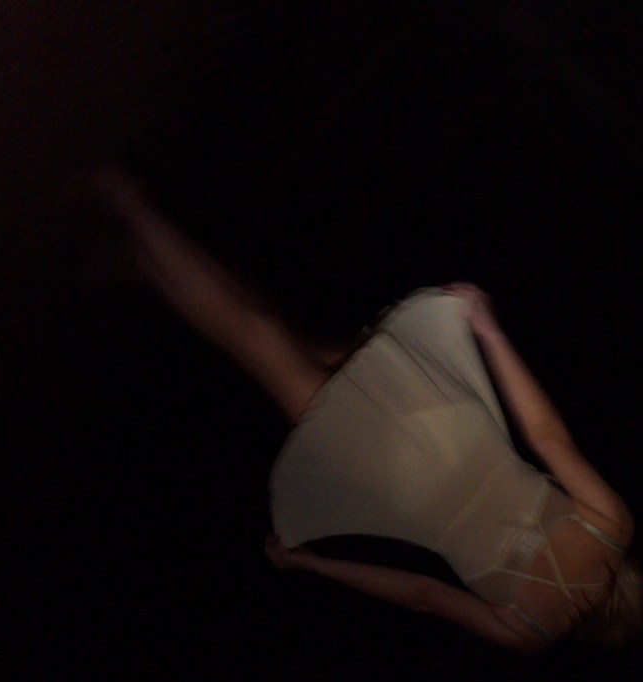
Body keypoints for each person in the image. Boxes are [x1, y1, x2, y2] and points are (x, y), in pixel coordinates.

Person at [92, 165, 640, 654]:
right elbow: (423, 594)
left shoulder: (613, 526)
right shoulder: (529, 632)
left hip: (445, 419)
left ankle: (135, 227)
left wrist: (489, 333)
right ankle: (139, 236)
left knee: (272, 335)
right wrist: (313, 563)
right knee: (260, 338)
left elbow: (547, 436)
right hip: (390, 471)